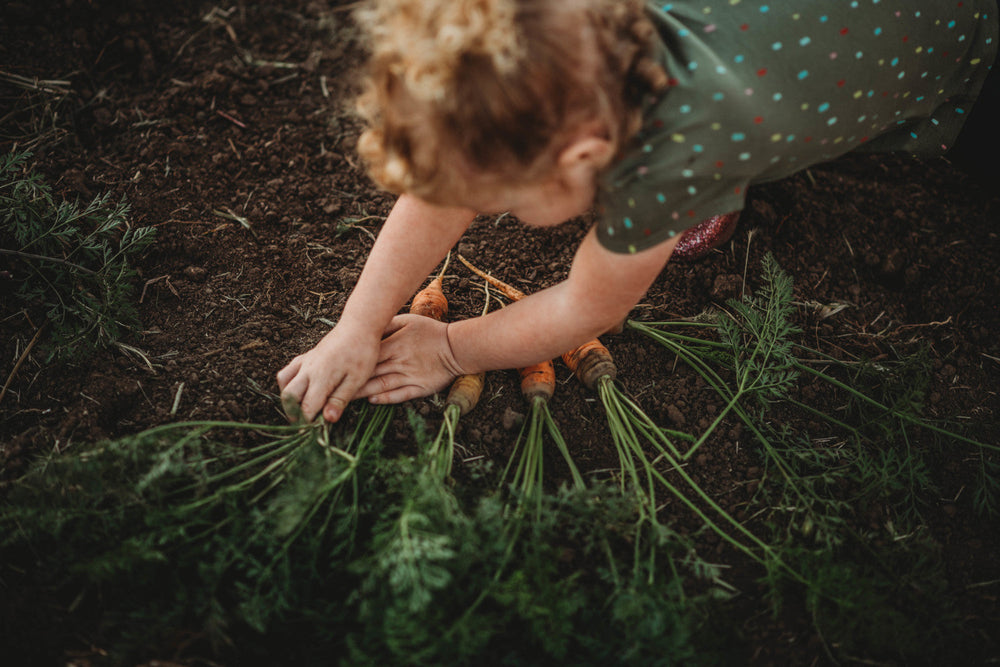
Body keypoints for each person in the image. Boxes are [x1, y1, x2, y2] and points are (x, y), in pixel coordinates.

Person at [278, 0, 998, 423]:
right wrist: (357, 324)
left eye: (499, 201)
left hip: (962, 44)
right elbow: (447, 181)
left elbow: (584, 308)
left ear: (586, 154)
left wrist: (449, 347)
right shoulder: (578, 32)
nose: (478, 208)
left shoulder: (670, 162)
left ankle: (732, 183)